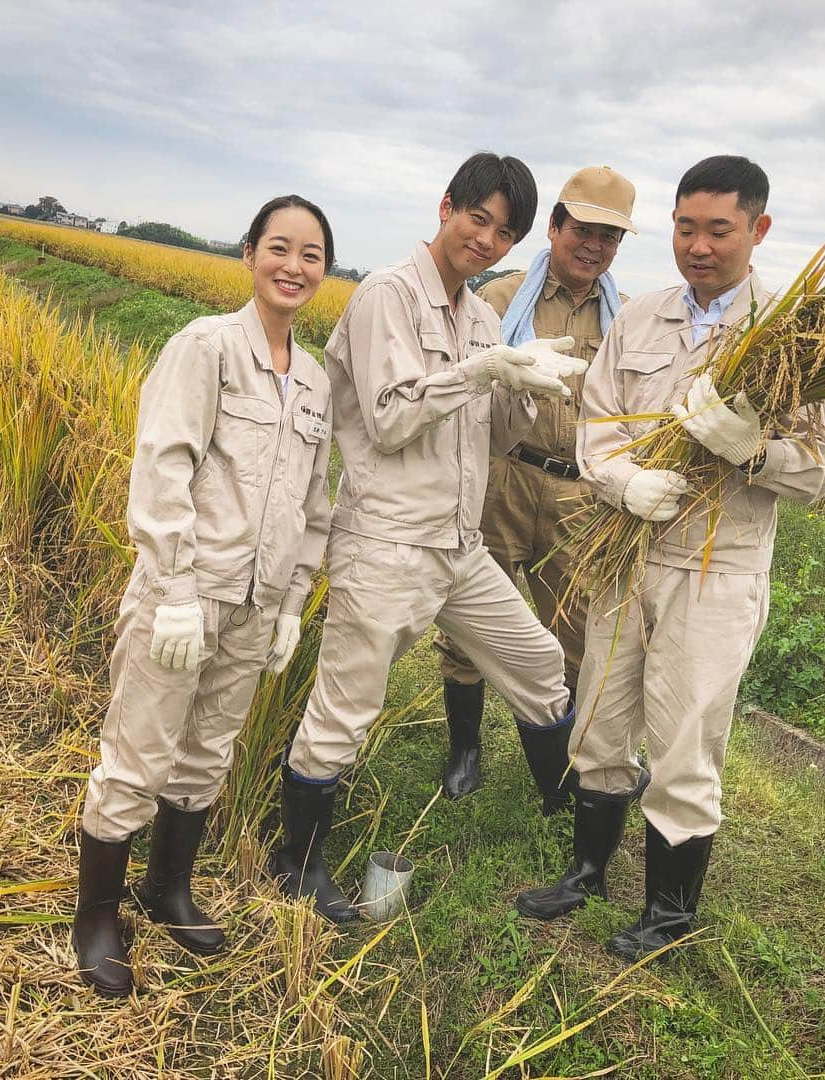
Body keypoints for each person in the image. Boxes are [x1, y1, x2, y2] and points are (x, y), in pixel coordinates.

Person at [515, 156, 825, 961]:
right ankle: (587, 873)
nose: (698, 246)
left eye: (718, 230)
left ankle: (667, 915)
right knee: (597, 717)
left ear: (757, 230)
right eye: (685, 228)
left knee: (684, 741)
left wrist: (754, 452)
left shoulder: (795, 333)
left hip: (717, 566)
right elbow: (598, 424)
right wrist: (623, 481)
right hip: (627, 554)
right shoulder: (641, 316)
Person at [273, 153, 587, 923]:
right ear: (445, 207)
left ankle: (563, 801)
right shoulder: (390, 294)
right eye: (476, 218)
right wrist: (487, 371)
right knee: (347, 707)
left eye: (503, 231)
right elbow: (389, 418)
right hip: (386, 542)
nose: (485, 239)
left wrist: (525, 387)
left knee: (540, 660)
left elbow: (491, 435)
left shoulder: (481, 317)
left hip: (457, 543)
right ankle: (298, 862)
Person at [73, 195, 336, 996]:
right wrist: (178, 588)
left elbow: (315, 504)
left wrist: (293, 602)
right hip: (184, 599)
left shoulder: (317, 382)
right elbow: (162, 467)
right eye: (279, 248)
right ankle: (96, 922)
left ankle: (167, 891)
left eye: (312, 254)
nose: (294, 266)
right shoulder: (207, 348)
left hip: (256, 606)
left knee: (207, 752)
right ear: (249, 253)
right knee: (139, 754)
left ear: (325, 271)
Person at [433, 166, 647, 802]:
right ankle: (465, 749)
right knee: (469, 629)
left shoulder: (627, 320)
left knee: (576, 629)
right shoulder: (500, 301)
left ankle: (572, 762)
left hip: (581, 494)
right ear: (554, 227)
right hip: (503, 480)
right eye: (582, 229)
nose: (594, 247)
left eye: (609, 238)